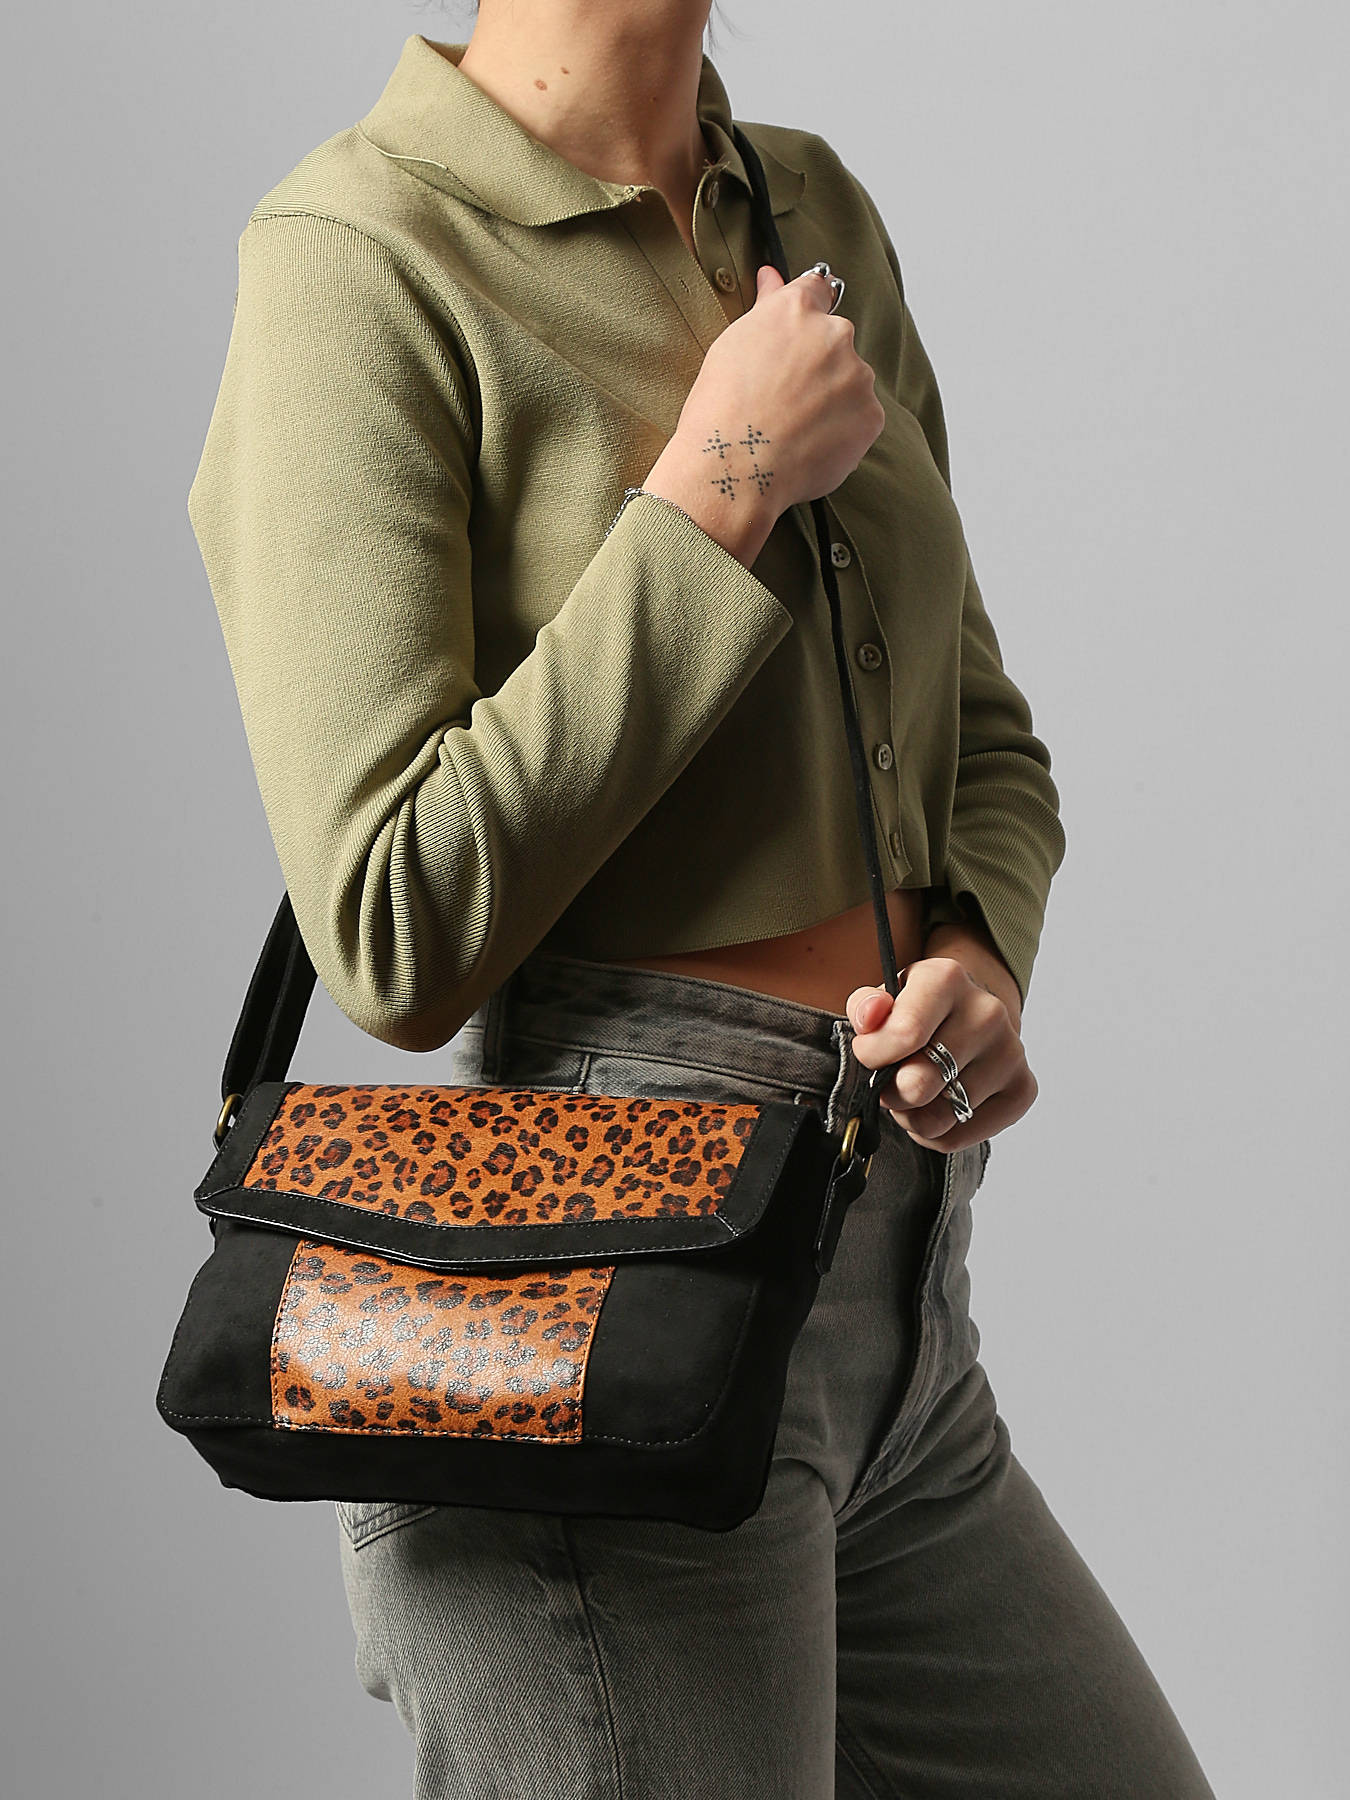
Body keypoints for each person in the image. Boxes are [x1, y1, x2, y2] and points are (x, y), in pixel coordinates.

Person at [185, 6, 1217, 1795]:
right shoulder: (359, 249)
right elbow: (389, 922)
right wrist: (719, 480)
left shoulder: (806, 211)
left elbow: (976, 730)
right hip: (595, 1293)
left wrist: (973, 950)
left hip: (893, 1287)